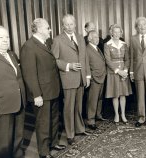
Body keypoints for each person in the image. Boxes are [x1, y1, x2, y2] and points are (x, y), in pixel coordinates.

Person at [20, 18, 65, 158]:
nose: (49, 30)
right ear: (39, 29)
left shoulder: (46, 43)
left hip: (52, 90)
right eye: (47, 28)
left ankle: (53, 143)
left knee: (54, 119)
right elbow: (29, 74)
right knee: (43, 123)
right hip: (41, 93)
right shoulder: (29, 46)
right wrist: (36, 95)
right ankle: (44, 152)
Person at [52, 14, 91, 146]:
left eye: (71, 24)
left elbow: (85, 58)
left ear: (75, 24)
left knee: (79, 106)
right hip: (68, 78)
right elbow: (55, 60)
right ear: (63, 25)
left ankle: (80, 129)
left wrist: (87, 76)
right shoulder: (57, 40)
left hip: (81, 78)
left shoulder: (80, 38)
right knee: (69, 108)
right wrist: (68, 66)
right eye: (66, 24)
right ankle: (70, 134)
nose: (69, 27)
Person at [0, 26, 26, 158]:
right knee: (3, 142)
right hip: (1, 107)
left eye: (7, 37)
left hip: (19, 102)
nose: (5, 40)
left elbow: (17, 77)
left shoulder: (11, 54)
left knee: (18, 138)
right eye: (0, 37)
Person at [104, 24, 132, 124]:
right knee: (115, 94)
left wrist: (125, 70)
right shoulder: (107, 44)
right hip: (113, 72)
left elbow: (127, 59)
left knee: (123, 94)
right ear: (111, 33)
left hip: (123, 72)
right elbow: (108, 60)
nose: (116, 34)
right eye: (114, 32)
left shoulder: (124, 44)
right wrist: (118, 71)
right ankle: (116, 114)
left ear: (121, 33)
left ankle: (123, 114)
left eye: (118, 32)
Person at [86, 30, 107, 130]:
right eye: (94, 37)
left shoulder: (97, 48)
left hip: (101, 76)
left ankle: (98, 115)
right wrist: (91, 77)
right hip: (95, 78)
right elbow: (86, 65)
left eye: (97, 37)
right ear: (89, 38)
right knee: (92, 100)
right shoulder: (87, 49)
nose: (97, 39)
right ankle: (91, 120)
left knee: (99, 98)